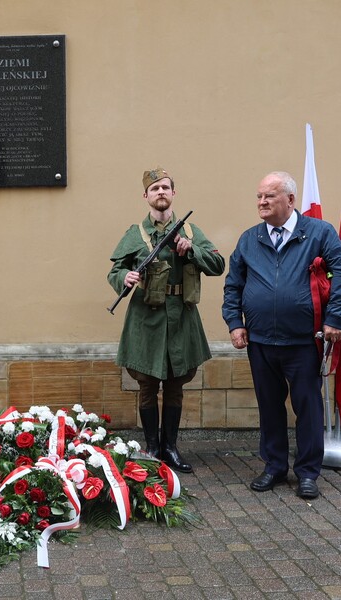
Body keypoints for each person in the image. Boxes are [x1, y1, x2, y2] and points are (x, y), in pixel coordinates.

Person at [222, 171, 341, 500]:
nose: (262, 202)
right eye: (259, 197)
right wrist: (234, 322)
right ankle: (274, 467)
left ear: (290, 200)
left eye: (269, 196)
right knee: (270, 407)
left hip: (303, 342)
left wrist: (335, 317)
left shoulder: (319, 233)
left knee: (308, 408)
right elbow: (233, 284)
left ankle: (308, 473)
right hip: (261, 341)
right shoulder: (249, 239)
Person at [108, 166, 225, 473]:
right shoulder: (135, 233)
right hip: (146, 318)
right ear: (145, 196)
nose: (160, 192)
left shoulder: (190, 231)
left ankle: (171, 448)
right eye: (154, 188)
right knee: (147, 385)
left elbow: (217, 264)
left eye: (165, 187)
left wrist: (192, 251)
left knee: (175, 385)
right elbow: (114, 271)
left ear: (174, 193)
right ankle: (152, 447)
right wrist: (125, 276)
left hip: (181, 318)